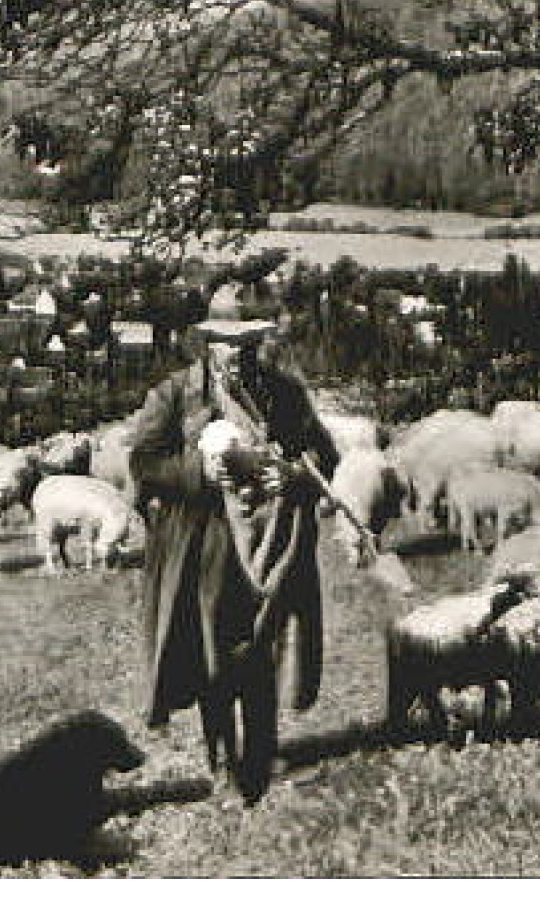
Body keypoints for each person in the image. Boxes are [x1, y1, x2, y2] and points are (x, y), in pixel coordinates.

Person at [129, 305, 342, 803]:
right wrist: (200, 473)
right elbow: (143, 462)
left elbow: (324, 455)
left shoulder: (282, 392)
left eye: (246, 340)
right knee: (214, 653)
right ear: (208, 343)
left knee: (262, 645)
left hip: (273, 542)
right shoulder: (176, 394)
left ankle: (263, 758)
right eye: (226, 340)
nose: (237, 351)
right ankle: (224, 762)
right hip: (205, 541)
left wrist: (290, 476)